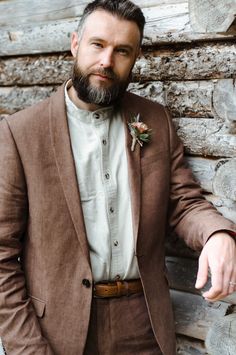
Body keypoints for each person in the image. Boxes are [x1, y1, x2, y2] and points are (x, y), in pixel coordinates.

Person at [0, 0, 235, 354]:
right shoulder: (20, 134)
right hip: (59, 331)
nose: (107, 61)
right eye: (98, 44)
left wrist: (218, 234)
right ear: (75, 43)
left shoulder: (154, 121)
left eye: (121, 50)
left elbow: (184, 203)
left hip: (144, 326)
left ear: (135, 57)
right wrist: (28, 348)